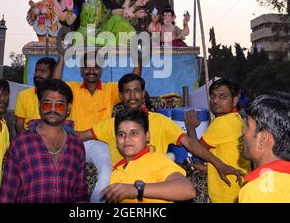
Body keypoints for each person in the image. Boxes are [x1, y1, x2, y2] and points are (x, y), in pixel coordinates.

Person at [76, 73, 244, 186]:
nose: (132, 96)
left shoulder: (161, 122)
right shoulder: (110, 124)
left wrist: (218, 163)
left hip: (155, 187)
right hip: (121, 187)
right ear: (121, 97)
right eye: (127, 92)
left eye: (137, 91)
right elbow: (80, 136)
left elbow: (191, 144)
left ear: (143, 94)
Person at [53, 52, 141, 203]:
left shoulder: (110, 89)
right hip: (74, 140)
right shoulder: (72, 88)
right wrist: (61, 57)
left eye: (96, 67)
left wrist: (138, 59)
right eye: (87, 67)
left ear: (101, 70)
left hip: (99, 142)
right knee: (58, 172)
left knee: (107, 171)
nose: (91, 71)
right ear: (81, 70)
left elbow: (132, 82)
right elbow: (54, 85)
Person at [0, 79, 88, 203]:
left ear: (68, 109)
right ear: (39, 106)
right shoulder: (21, 144)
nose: (53, 109)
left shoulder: (76, 145)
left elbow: (80, 193)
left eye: (59, 104)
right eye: (47, 104)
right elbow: (7, 193)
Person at [101, 109, 195, 203]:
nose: (127, 139)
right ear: (116, 140)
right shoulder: (116, 172)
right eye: (121, 134)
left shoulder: (157, 160)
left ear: (147, 136)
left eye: (134, 133)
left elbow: (187, 190)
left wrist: (137, 190)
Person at [196, 78, 251, 203]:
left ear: (235, 100)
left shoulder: (223, 122)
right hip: (238, 189)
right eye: (213, 96)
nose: (215, 101)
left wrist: (190, 127)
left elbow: (197, 148)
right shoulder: (236, 118)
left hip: (226, 193)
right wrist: (209, 168)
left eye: (223, 96)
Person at [14, 57, 57, 134]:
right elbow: (19, 124)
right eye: (36, 71)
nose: (37, 74)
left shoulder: (60, 96)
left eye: (43, 71)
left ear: (53, 74)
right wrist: (27, 141)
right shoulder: (23, 95)